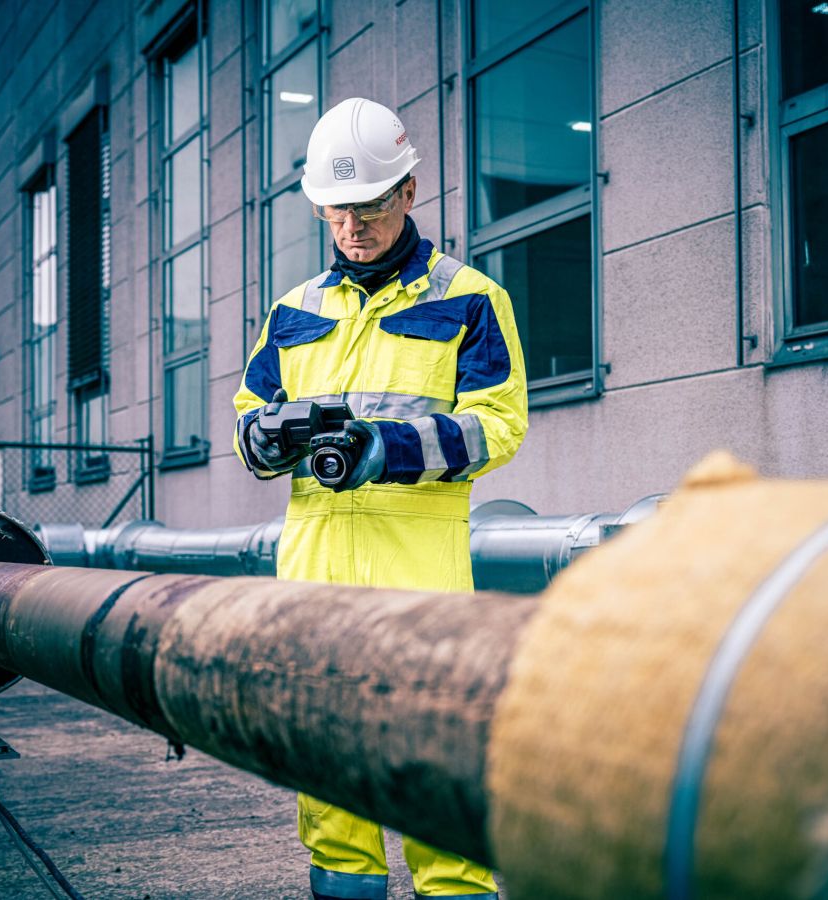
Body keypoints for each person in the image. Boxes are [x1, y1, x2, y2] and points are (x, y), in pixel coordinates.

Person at [233, 97, 528, 900]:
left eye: (368, 206)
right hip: (315, 584)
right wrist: (263, 439)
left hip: (420, 590)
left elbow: (497, 427)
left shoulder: (468, 298)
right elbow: (245, 417)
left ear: (407, 191)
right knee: (331, 793)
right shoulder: (293, 310)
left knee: (437, 791)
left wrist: (384, 450)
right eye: (336, 211)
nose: (352, 226)